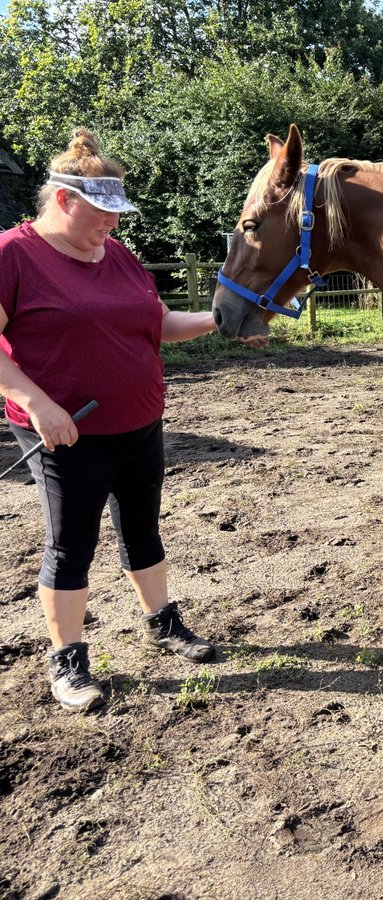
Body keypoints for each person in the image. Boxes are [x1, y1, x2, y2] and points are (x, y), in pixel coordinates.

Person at [0, 127, 220, 713]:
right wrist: (37, 403)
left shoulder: (117, 255)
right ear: (64, 200)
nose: (113, 225)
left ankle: (162, 620)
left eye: (117, 213)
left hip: (140, 420)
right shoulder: (13, 255)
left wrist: (217, 319)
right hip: (65, 432)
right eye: (103, 212)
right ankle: (67, 658)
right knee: (72, 542)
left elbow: (156, 322)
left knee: (143, 526)